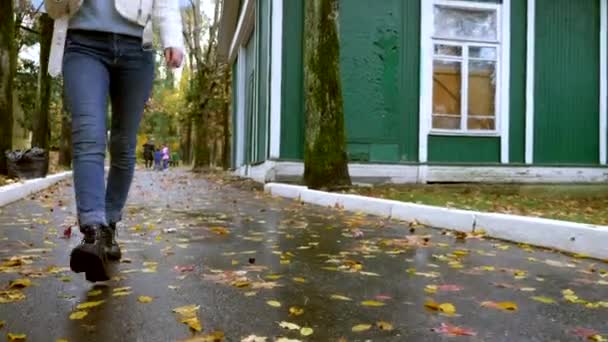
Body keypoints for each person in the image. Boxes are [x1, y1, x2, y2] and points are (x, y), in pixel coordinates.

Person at [47, 0, 184, 282]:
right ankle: (93, 231)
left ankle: (109, 224)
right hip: (83, 41)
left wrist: (173, 38)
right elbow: (53, 7)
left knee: (123, 144)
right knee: (88, 133)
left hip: (137, 48)